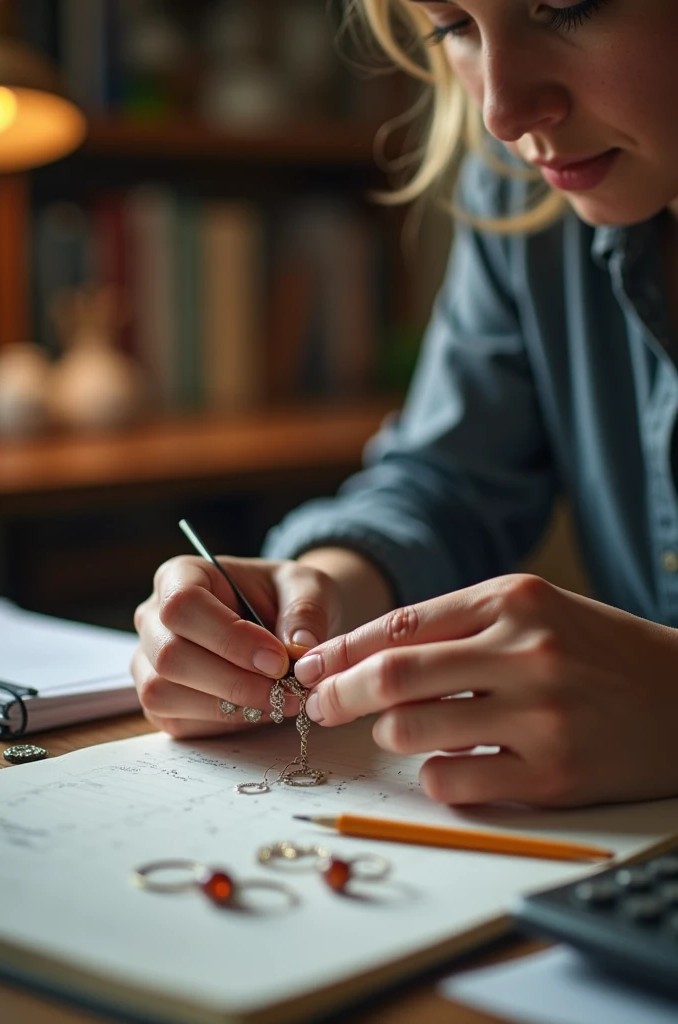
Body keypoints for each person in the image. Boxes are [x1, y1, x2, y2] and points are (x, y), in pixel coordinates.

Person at [132, 0, 678, 809]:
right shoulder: (526, 196)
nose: (500, 112)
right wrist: (318, 593)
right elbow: (447, 483)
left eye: (566, 6)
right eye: (453, 25)